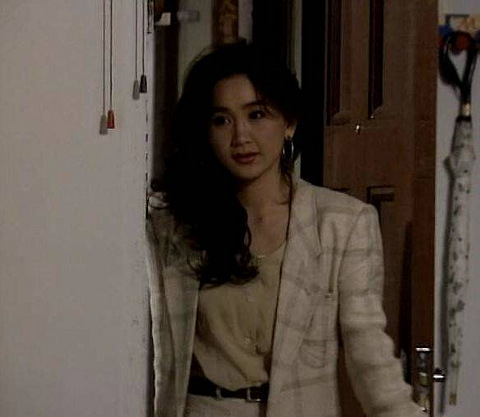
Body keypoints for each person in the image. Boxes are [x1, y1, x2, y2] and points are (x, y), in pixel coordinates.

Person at [146, 42, 424, 417]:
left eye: (257, 114)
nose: (241, 137)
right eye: (222, 120)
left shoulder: (342, 223)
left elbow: (369, 355)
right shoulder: (175, 224)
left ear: (289, 123)